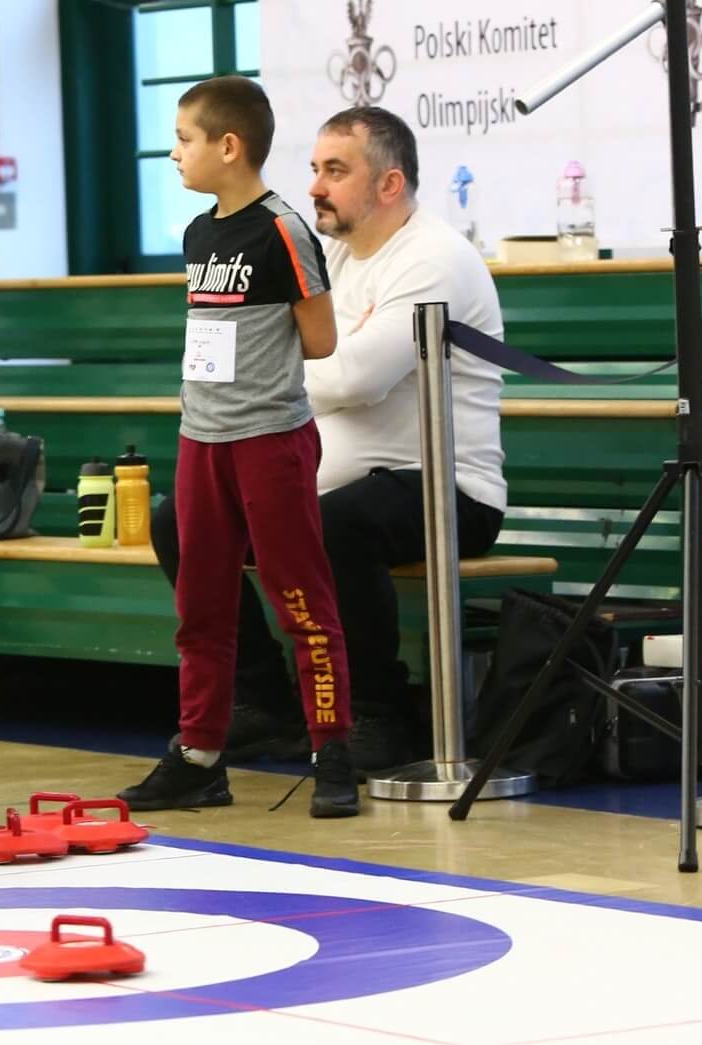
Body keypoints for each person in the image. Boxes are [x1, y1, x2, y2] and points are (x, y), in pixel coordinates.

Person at [149, 106, 507, 772]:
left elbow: (354, 376)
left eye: (335, 171)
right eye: (314, 168)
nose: (314, 186)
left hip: (448, 489)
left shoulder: (435, 259)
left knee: (340, 525)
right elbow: (319, 366)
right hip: (330, 475)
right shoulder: (328, 251)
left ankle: (376, 709)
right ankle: (259, 701)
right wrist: (298, 365)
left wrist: (275, 371)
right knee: (181, 522)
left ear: (389, 184)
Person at [118, 76, 358, 818]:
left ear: (229, 146)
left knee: (300, 598)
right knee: (201, 606)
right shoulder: (199, 234)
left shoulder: (282, 229)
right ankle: (198, 756)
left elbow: (320, 339)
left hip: (270, 439)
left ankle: (332, 750)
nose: (173, 153)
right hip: (203, 440)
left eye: (183, 139)